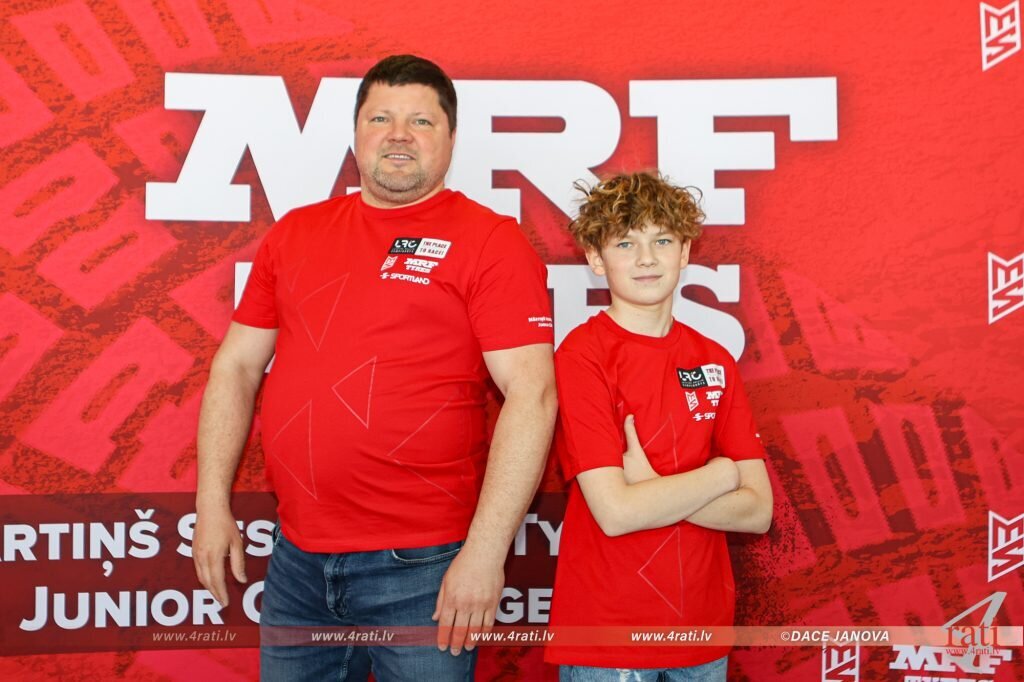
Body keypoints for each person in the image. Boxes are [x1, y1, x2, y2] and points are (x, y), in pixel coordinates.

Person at [191, 54, 557, 681]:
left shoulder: (490, 241)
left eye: (421, 121)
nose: (398, 135)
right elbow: (237, 369)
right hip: (296, 559)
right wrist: (210, 503)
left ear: (451, 138)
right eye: (381, 118)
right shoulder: (294, 234)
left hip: (425, 565)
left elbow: (534, 395)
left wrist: (485, 552)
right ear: (357, 132)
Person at [544, 172, 773, 681]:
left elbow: (758, 512)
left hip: (702, 634)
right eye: (626, 243)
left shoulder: (714, 359)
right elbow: (617, 512)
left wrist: (652, 486)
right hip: (610, 637)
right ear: (596, 258)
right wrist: (720, 475)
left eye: (662, 240)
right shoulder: (582, 356)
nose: (646, 258)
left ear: (685, 251)